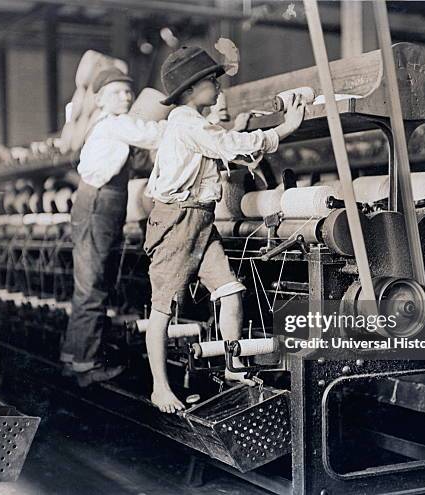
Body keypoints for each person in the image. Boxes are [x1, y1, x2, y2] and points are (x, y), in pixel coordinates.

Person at [144, 46, 305, 413]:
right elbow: (229, 145)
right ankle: (159, 388)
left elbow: (228, 146)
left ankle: (233, 366)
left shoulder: (195, 123)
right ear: (188, 91)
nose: (218, 87)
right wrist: (284, 129)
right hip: (177, 221)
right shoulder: (187, 122)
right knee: (163, 310)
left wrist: (249, 133)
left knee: (230, 290)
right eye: (211, 81)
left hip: (200, 219)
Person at [61, 67, 166, 387]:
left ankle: (74, 356)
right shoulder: (116, 124)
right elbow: (155, 135)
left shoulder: (106, 126)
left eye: (127, 91)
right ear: (99, 99)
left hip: (97, 204)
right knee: (92, 286)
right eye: (117, 92)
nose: (126, 96)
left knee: (92, 284)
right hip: (99, 206)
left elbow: (137, 159)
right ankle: (86, 366)